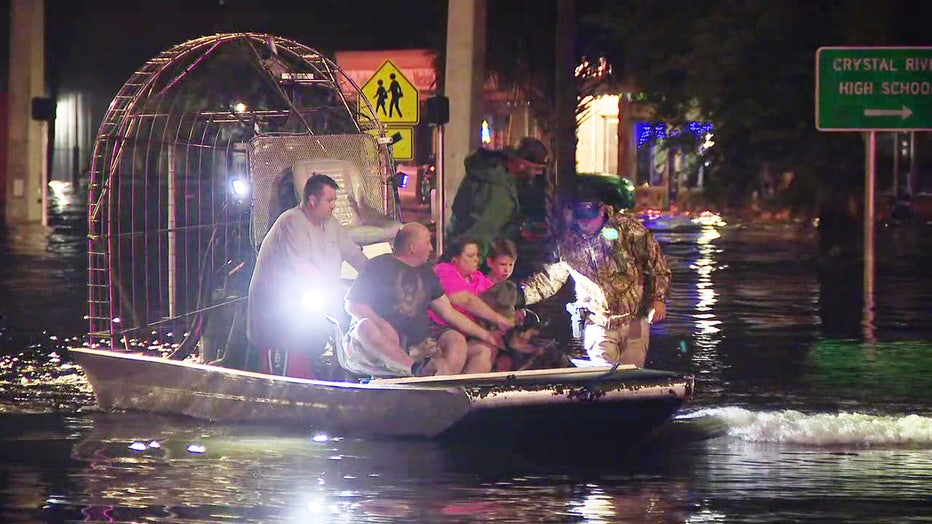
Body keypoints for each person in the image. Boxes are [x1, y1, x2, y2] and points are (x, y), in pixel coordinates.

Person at [519, 188, 671, 368]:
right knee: (605, 374)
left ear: (602, 210)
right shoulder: (567, 241)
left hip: (635, 320)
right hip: (597, 322)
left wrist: (658, 299)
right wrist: (518, 296)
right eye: (581, 218)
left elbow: (656, 264)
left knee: (632, 376)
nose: (586, 223)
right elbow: (549, 279)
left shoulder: (629, 229)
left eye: (590, 218)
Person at [246, 174, 369, 379]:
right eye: (329, 200)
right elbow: (302, 268)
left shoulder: (332, 225)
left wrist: (376, 276)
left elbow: (354, 255)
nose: (333, 206)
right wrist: (339, 291)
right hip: (280, 311)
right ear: (313, 200)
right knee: (291, 368)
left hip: (313, 302)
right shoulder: (291, 222)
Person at [342, 223, 502, 377]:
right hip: (376, 341)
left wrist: (486, 335)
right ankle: (414, 369)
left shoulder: (427, 273)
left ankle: (442, 388)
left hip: (417, 344)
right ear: (413, 247)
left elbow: (449, 312)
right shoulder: (377, 265)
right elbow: (352, 305)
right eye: (427, 242)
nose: (431, 248)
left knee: (455, 339)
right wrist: (381, 323)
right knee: (365, 325)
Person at [447, 137, 551, 273]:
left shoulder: (495, 174)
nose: (539, 173)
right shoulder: (497, 191)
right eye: (536, 168)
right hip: (476, 263)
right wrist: (470, 275)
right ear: (521, 164)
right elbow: (483, 233)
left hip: (464, 251)